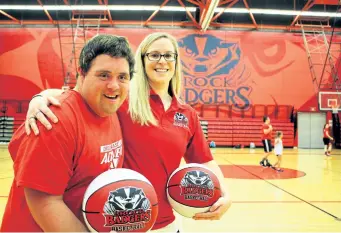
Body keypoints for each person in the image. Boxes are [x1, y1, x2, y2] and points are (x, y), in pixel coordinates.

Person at [22, 32, 231, 232]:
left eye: (168, 55)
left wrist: (225, 194)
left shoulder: (187, 114)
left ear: (176, 62)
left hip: (168, 223)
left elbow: (205, 161)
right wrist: (40, 97)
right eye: (154, 55)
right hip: (123, 221)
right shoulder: (123, 99)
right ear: (142, 59)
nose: (162, 61)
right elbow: (81, 94)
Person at [0, 35, 135, 232]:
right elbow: (45, 203)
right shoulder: (55, 120)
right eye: (104, 75)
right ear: (81, 73)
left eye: (122, 77)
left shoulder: (111, 109)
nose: (114, 85)